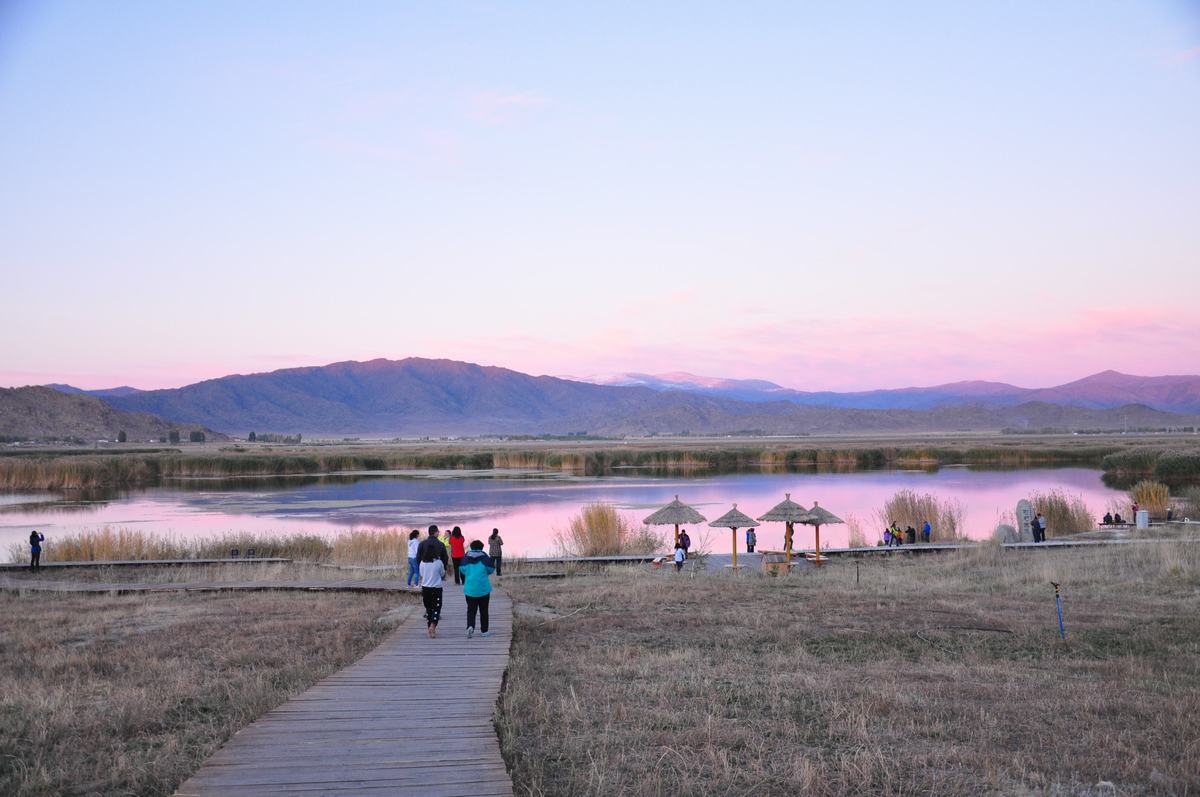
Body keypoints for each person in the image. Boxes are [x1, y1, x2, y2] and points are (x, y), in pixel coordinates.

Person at [460, 540, 496, 638]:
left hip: (470, 589)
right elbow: (491, 569)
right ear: (482, 547)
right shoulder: (485, 558)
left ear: (471, 547)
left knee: (471, 610)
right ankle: (484, 631)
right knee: (484, 610)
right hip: (483, 589)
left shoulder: (465, 558)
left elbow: (462, 570)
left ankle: (470, 626)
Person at [417, 526, 448, 638]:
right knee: (437, 608)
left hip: (425, 587)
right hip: (436, 587)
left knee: (428, 609)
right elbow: (444, 563)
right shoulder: (439, 560)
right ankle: (433, 627)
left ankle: (429, 626)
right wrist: (442, 572)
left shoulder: (422, 562)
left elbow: (420, 572)